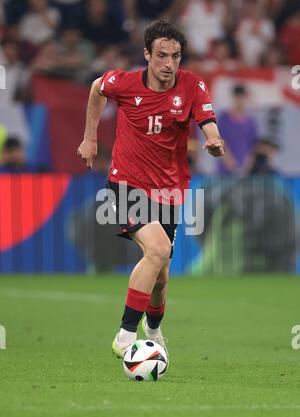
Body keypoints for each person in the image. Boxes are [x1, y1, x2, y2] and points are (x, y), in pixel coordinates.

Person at [77, 19, 225, 358]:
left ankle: (154, 329)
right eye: (162, 56)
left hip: (170, 191)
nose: (169, 64)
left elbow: (207, 121)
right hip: (126, 182)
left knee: (160, 275)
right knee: (156, 249)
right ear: (147, 54)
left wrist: (214, 141)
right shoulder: (124, 82)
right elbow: (97, 89)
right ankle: (126, 337)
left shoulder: (192, 85)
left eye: (176, 56)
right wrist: (89, 137)